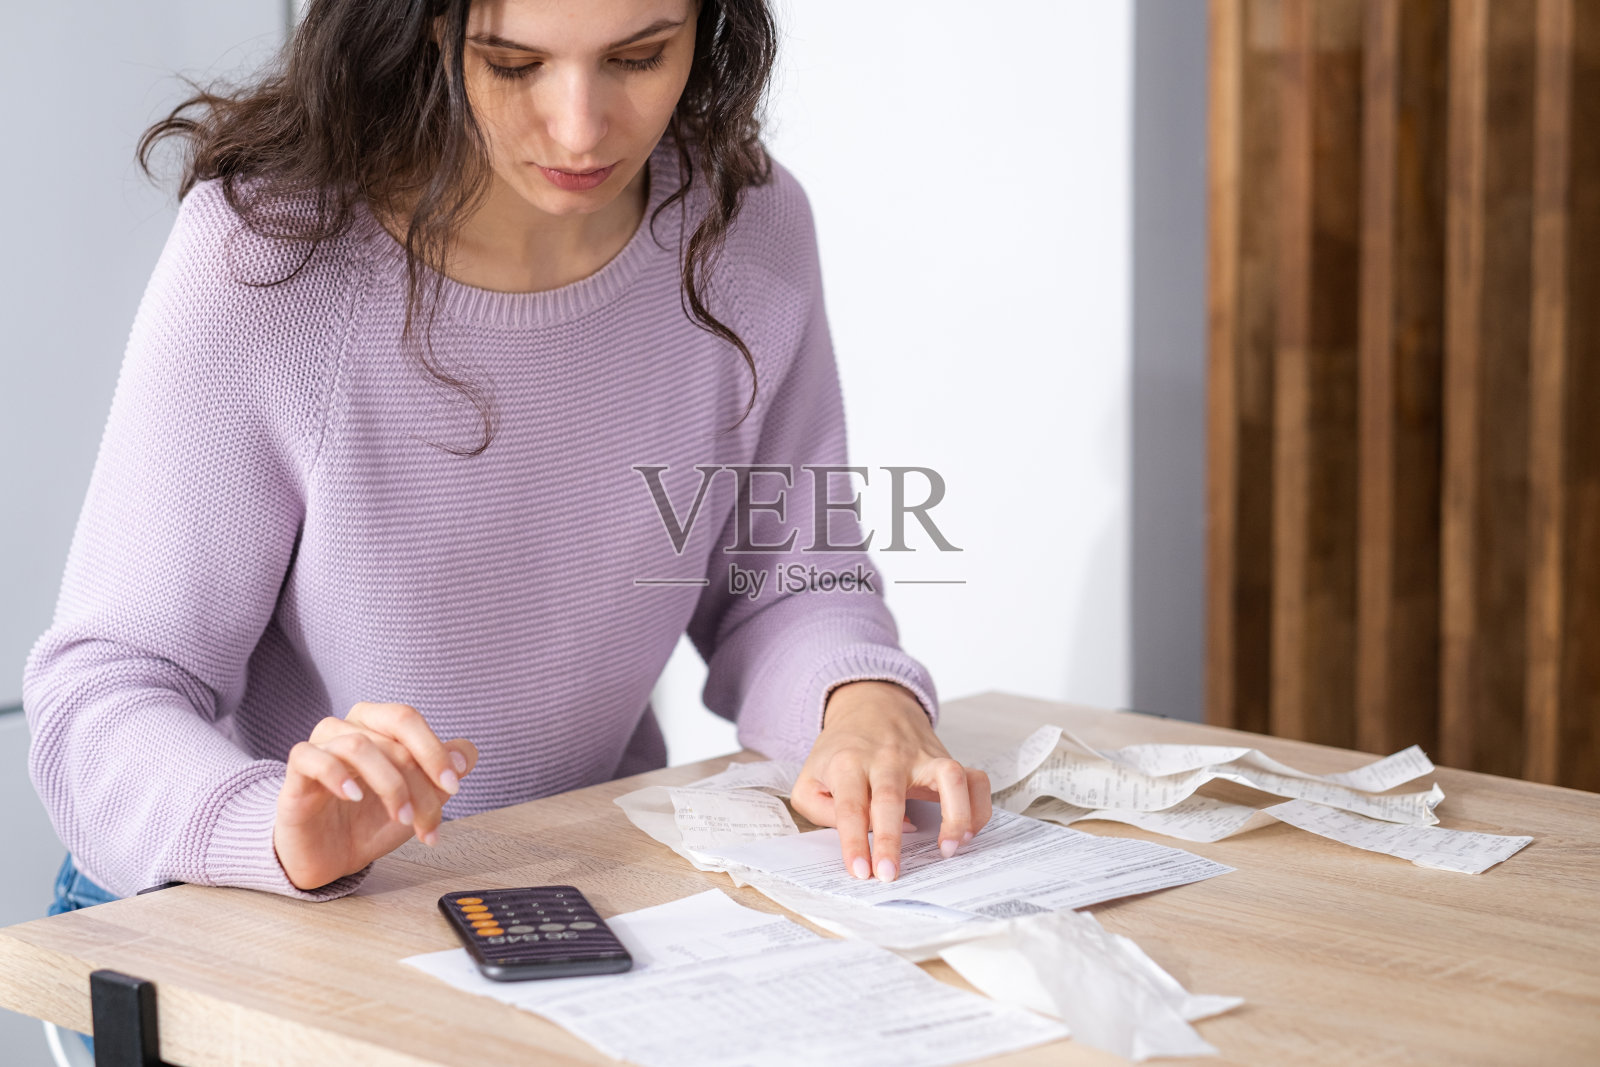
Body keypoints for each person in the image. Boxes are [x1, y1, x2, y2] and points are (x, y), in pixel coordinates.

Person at [24, 0, 991, 921]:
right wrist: (269, 828)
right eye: (514, 63)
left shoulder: (745, 229)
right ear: (425, 27)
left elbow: (784, 585)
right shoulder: (271, 257)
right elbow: (107, 691)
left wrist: (858, 703)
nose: (581, 130)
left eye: (639, 55)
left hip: (562, 887)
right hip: (225, 905)